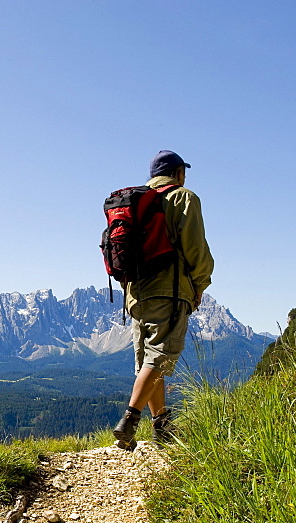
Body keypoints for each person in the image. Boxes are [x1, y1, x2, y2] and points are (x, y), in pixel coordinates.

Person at [113, 150, 214, 450]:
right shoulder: (183, 198)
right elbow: (195, 248)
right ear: (178, 172)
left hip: (135, 295)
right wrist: (200, 284)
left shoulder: (136, 201)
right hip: (168, 291)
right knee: (161, 357)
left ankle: (163, 428)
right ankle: (129, 421)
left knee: (148, 360)